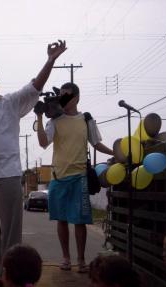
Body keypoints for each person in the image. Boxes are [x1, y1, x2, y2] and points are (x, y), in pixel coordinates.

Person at [0, 40, 67, 263]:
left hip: (8, 173)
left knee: (11, 233)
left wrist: (50, 60)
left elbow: (36, 86)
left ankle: (10, 276)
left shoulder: (11, 102)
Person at [35, 82, 113, 272]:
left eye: (67, 95)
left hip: (80, 177)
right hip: (58, 177)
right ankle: (66, 259)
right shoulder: (53, 121)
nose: (63, 98)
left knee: (79, 221)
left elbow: (96, 144)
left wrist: (115, 154)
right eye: (61, 95)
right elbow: (43, 142)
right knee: (61, 220)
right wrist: (38, 115)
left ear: (77, 97)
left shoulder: (86, 119)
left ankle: (81, 260)